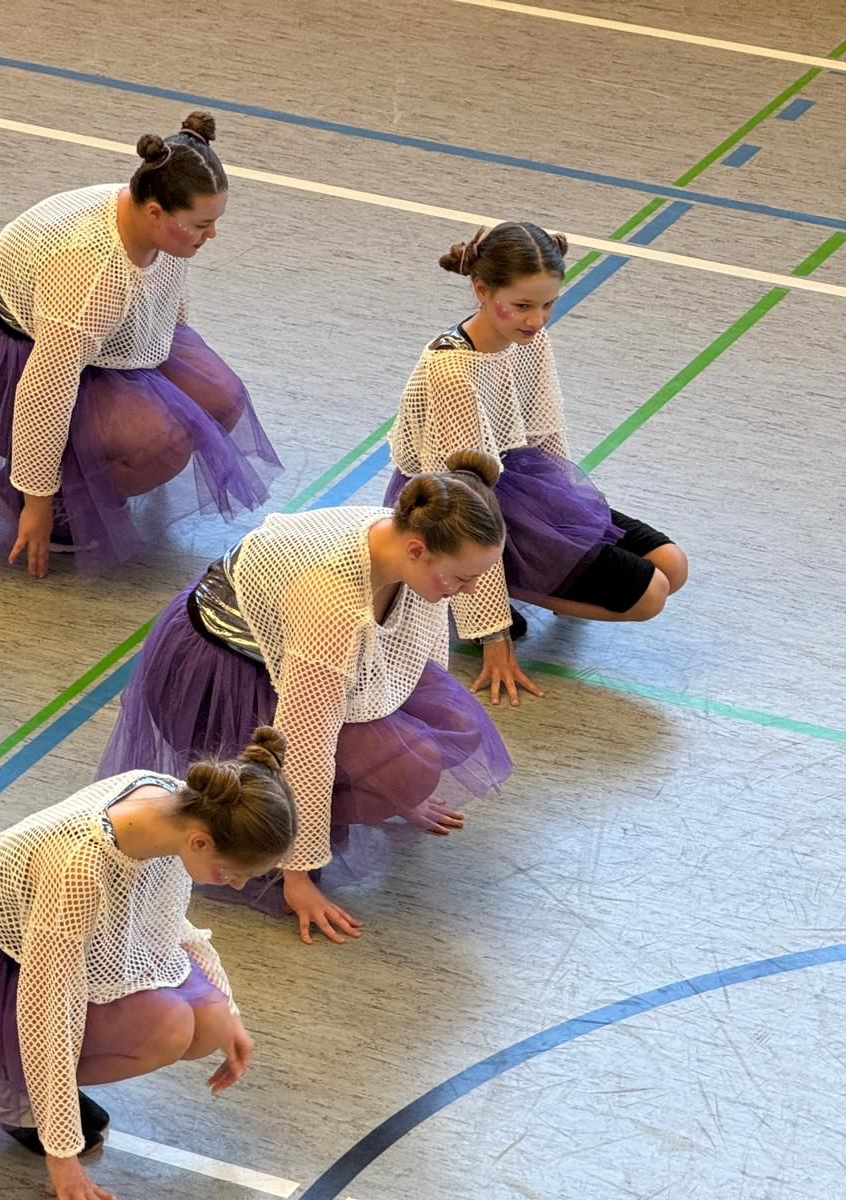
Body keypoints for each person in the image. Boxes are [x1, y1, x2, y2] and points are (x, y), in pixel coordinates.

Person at [0, 728, 297, 1200]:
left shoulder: (180, 806)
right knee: (168, 1030)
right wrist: (61, 1155)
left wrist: (228, 1007)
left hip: (67, 939)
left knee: (210, 1024)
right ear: (201, 843)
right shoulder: (79, 866)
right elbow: (48, 1008)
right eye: (234, 873)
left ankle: (35, 1088)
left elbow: (167, 924)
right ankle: (10, 1090)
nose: (237, 885)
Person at [100, 455, 513, 944]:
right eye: (462, 579)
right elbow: (304, 743)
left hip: (302, 651)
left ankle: (376, 782)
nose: (469, 591)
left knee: (433, 736)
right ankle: (312, 827)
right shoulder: (331, 602)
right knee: (404, 766)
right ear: (418, 550)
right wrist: (296, 872)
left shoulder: (406, 543)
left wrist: (408, 780)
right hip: (224, 675)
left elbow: (418, 654)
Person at [0, 110, 279, 576]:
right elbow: (44, 390)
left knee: (222, 400)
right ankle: (25, 494)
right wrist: (36, 500)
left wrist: (167, 385)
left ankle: (94, 459)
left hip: (94, 332)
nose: (211, 234)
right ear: (156, 213)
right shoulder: (89, 271)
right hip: (13, 355)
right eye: (201, 224)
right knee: (161, 443)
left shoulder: (158, 221)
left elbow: (166, 294)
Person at [386, 221, 689, 704]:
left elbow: (547, 434)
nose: (537, 319)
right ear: (481, 290)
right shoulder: (452, 373)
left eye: (548, 304)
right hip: (457, 506)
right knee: (650, 594)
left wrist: (570, 518)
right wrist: (494, 635)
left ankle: (524, 578)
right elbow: (465, 508)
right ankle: (472, 590)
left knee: (672, 565)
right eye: (524, 305)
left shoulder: (528, 340)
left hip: (521, 484)